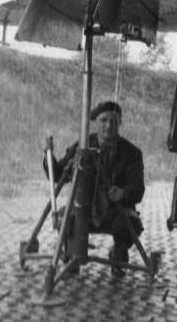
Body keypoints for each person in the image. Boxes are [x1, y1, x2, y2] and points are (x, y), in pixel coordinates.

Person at [44, 101, 145, 277]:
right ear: (95, 122)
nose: (108, 125)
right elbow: (60, 173)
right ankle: (71, 254)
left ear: (120, 123)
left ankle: (118, 255)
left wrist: (123, 193)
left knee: (130, 225)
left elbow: (138, 189)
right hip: (84, 209)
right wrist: (48, 157)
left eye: (113, 121)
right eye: (103, 120)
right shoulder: (82, 146)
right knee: (64, 218)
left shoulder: (132, 153)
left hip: (114, 212)